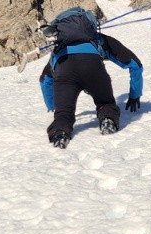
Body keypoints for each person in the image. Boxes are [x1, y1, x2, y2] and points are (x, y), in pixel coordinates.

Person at [39, 8, 143, 148]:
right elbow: (134, 64)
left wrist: (52, 105)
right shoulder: (99, 39)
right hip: (93, 69)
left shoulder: (58, 49)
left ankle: (60, 132)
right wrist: (135, 94)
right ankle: (107, 118)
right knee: (105, 102)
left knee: (63, 114)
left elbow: (45, 80)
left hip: (64, 70)